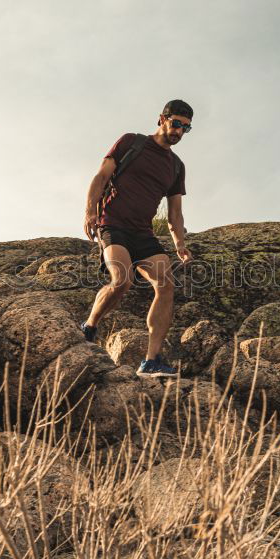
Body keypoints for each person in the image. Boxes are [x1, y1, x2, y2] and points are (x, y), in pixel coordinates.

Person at [81, 99, 194, 377]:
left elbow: (175, 213)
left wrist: (180, 244)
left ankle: (151, 361)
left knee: (165, 285)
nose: (179, 131)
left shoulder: (176, 167)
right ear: (162, 119)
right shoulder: (132, 142)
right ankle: (90, 327)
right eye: (176, 123)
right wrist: (89, 212)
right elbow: (101, 175)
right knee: (122, 279)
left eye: (186, 128)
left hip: (142, 233)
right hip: (113, 224)